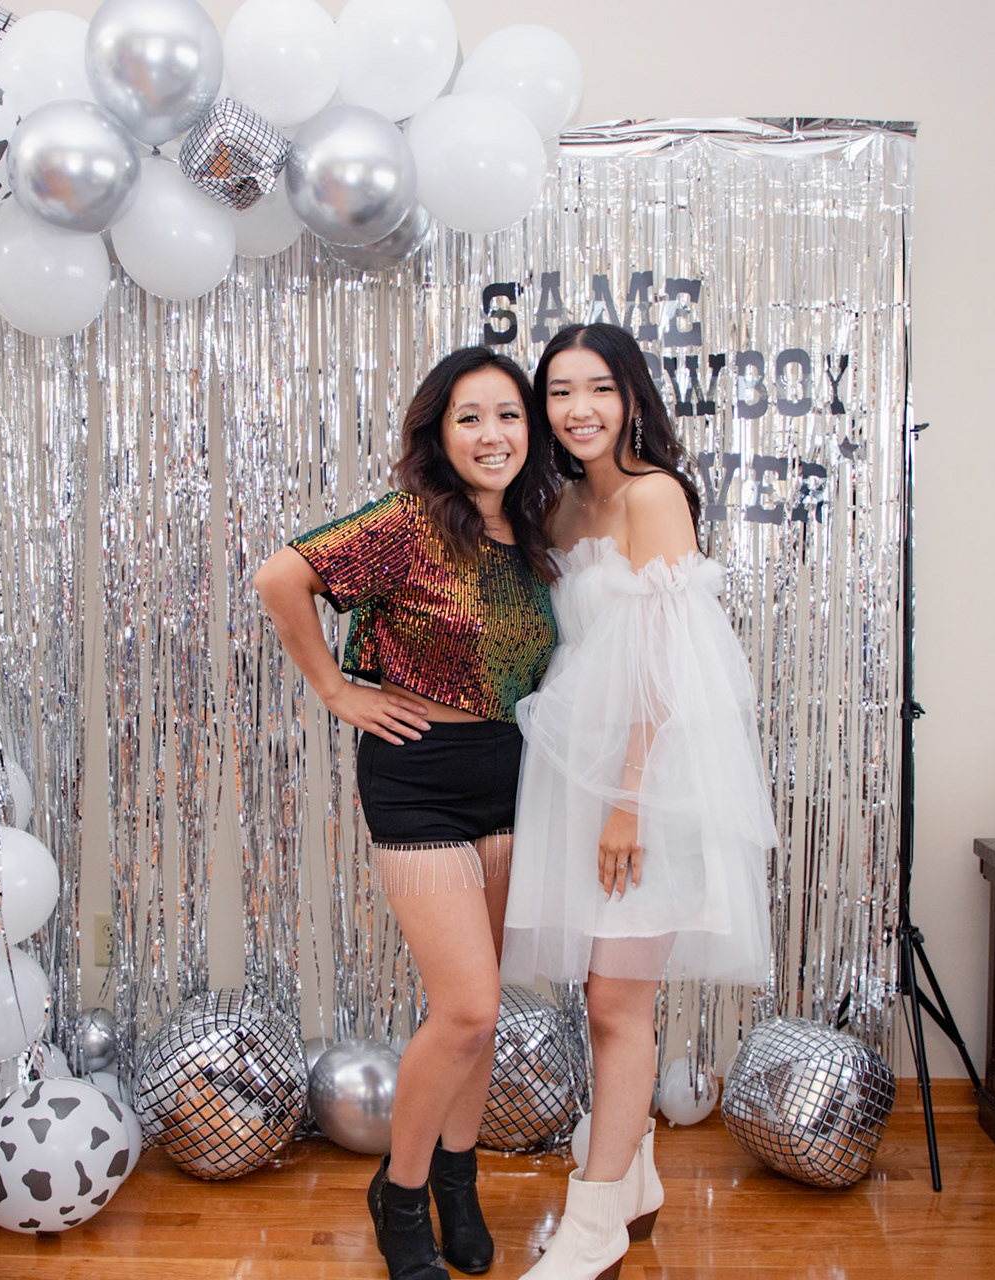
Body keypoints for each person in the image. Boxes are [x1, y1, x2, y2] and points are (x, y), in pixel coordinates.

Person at [253, 346, 560, 1280]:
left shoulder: (536, 536)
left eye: (508, 415)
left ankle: (458, 1182)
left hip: (510, 774)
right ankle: (402, 1193)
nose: (492, 434)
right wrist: (336, 689)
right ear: (440, 433)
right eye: (470, 417)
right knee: (465, 1007)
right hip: (417, 773)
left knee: (483, 1015)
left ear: (530, 429)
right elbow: (280, 578)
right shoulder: (410, 523)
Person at [505, 323, 776, 1280]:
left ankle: (593, 1226)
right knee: (600, 994)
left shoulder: (654, 494)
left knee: (618, 1000)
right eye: (559, 392)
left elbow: (668, 663)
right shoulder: (562, 504)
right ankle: (637, 1179)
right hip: (574, 772)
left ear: (630, 398)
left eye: (598, 389)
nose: (578, 409)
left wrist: (627, 802)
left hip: (646, 780)